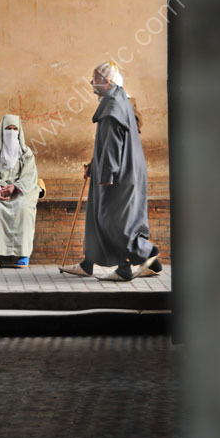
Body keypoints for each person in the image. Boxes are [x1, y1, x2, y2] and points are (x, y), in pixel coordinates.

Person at [59, 61, 162, 281]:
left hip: (117, 175)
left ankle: (146, 255)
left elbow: (113, 145)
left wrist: (106, 174)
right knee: (99, 218)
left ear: (106, 81)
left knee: (114, 221)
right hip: (122, 171)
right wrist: (93, 164)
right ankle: (89, 263)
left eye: (95, 78)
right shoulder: (118, 100)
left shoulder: (113, 105)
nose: (91, 83)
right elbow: (107, 144)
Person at [0, 114, 40, 269]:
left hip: (20, 191)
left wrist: (14, 187)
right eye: (8, 129)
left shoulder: (26, 154)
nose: (11, 133)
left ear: (19, 132)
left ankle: (23, 254)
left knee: (24, 208)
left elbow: (29, 177)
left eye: (15, 129)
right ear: (1, 131)